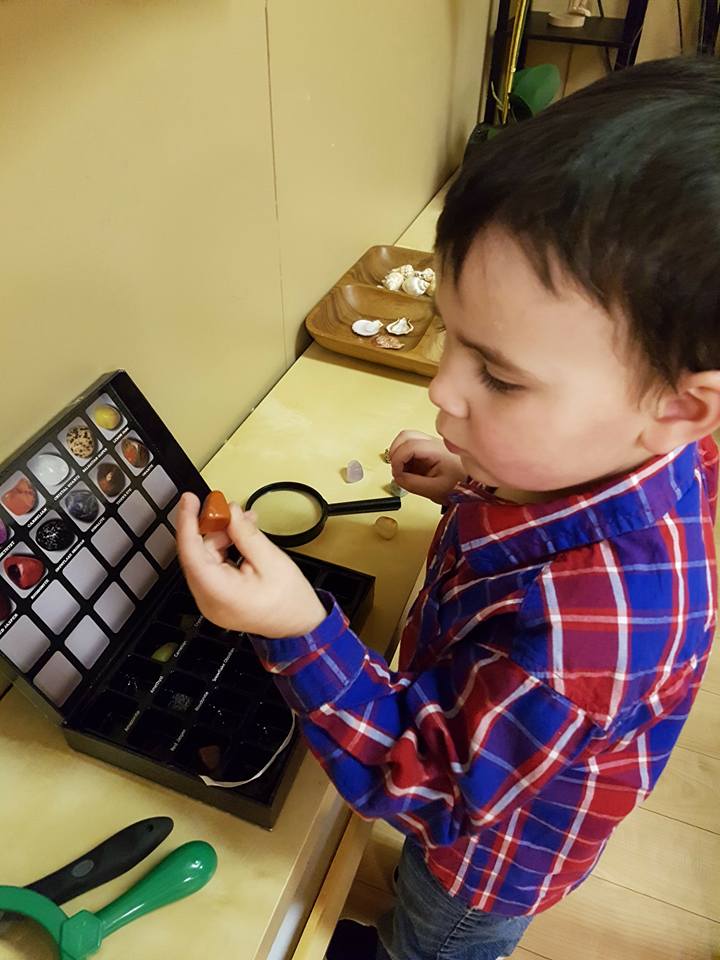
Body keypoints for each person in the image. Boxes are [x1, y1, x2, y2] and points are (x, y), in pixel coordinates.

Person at [176, 57, 720, 960]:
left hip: (485, 859)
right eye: (453, 338)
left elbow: (425, 785)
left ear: (679, 407)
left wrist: (294, 627)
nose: (441, 388)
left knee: (432, 937)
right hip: (480, 744)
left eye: (498, 375)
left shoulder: (591, 640)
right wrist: (478, 478)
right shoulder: (640, 449)